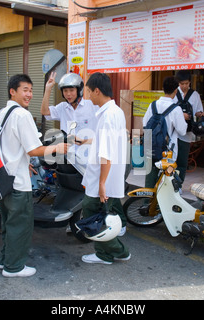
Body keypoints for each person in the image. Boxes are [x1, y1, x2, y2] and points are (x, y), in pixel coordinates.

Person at [0, 74, 69, 277]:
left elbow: (9, 146)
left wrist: (24, 162)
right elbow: (34, 149)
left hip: (4, 179)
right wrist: (57, 148)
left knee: (9, 224)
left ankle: (5, 261)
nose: (29, 94)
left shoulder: (4, 112)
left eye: (30, 90)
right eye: (25, 90)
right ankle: (14, 267)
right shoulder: (21, 114)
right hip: (18, 183)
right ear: (13, 91)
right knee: (20, 225)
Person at [79, 72, 130, 265]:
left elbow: (106, 153)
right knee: (99, 215)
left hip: (101, 177)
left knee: (92, 213)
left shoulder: (108, 116)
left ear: (97, 91)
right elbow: (106, 141)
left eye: (89, 92)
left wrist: (101, 184)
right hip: (104, 176)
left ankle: (117, 251)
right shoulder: (114, 111)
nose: (88, 96)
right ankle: (106, 254)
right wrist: (86, 141)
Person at [142, 77, 188, 188]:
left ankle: (146, 203)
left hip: (151, 148)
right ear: (176, 90)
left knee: (149, 179)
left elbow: (145, 125)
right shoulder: (176, 109)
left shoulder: (153, 105)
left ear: (163, 89)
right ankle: (160, 205)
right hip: (167, 152)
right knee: (165, 181)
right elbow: (182, 131)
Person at [41, 72, 99, 140]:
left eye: (71, 90)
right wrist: (48, 89)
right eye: (65, 91)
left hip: (87, 149)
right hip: (68, 149)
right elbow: (44, 111)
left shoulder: (92, 106)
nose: (68, 94)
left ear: (79, 90)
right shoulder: (62, 107)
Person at [174, 71, 204, 183]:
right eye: (182, 84)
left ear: (190, 83)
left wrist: (200, 115)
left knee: (182, 161)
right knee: (171, 160)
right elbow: (168, 111)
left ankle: (179, 184)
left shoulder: (195, 95)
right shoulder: (173, 93)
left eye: (186, 83)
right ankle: (170, 183)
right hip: (173, 132)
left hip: (186, 134)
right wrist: (180, 115)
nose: (184, 86)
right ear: (178, 83)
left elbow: (198, 111)